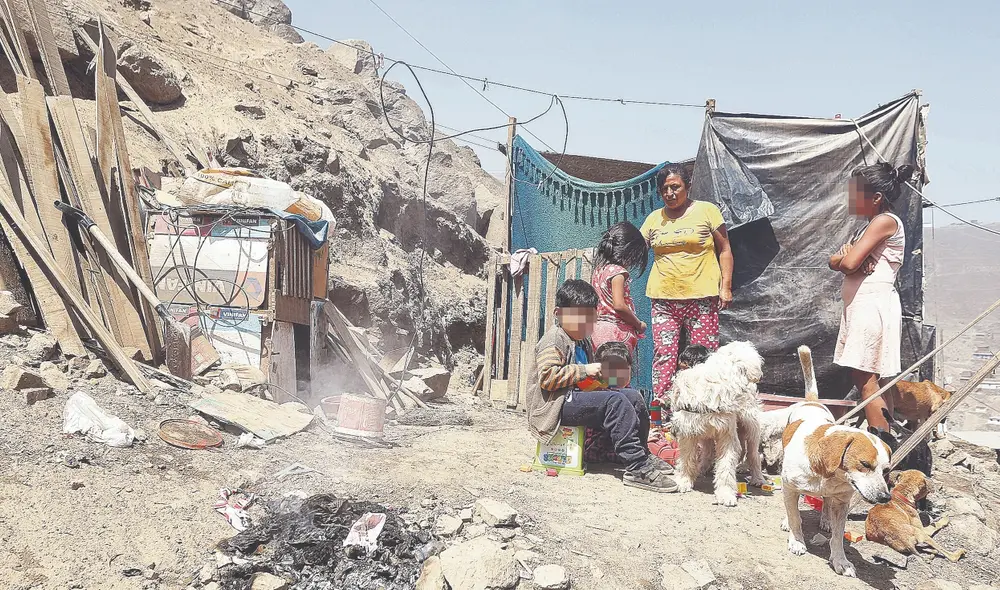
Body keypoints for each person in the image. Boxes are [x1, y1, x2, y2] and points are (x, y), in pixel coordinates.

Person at [525, 280, 677, 492]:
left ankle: (641, 454)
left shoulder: (582, 342)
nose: (584, 326)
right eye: (579, 319)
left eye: (589, 320)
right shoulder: (554, 339)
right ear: (558, 313)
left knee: (632, 396)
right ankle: (636, 468)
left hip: (575, 399)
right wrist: (585, 371)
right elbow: (548, 378)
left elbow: (585, 381)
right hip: (555, 405)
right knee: (614, 402)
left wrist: (601, 381)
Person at [829, 162, 913, 446]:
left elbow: (849, 262)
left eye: (856, 194)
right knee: (873, 380)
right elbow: (836, 261)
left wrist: (848, 259)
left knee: (866, 380)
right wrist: (846, 259)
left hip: (872, 306)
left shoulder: (884, 221)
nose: (851, 200)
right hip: (863, 306)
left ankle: (881, 448)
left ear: (876, 197)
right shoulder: (867, 227)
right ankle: (886, 443)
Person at [640, 164, 734, 407]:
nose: (670, 193)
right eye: (664, 190)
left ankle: (702, 407)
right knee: (664, 355)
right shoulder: (653, 219)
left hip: (702, 298)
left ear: (687, 186)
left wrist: (726, 286)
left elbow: (724, 249)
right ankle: (662, 413)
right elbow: (637, 249)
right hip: (663, 299)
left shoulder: (707, 211)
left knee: (703, 355)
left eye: (675, 187)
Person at [590, 222, 648, 358]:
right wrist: (638, 324)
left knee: (601, 375)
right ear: (629, 251)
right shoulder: (618, 273)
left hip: (597, 330)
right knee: (618, 376)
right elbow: (619, 305)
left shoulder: (599, 270)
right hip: (617, 331)